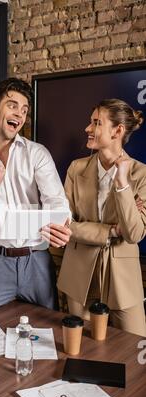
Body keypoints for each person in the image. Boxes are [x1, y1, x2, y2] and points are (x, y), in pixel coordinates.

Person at [0, 77, 71, 313]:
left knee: (46, 332)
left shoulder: (37, 154)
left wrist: (62, 225)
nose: (19, 114)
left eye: (24, 110)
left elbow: (56, 203)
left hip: (36, 260)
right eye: (12, 105)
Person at [57, 99, 146, 336]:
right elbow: (64, 224)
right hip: (78, 277)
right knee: (81, 352)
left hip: (124, 283)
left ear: (118, 131)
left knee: (136, 350)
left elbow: (135, 233)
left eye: (96, 123)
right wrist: (110, 231)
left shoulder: (141, 174)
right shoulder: (76, 168)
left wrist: (123, 185)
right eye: (90, 122)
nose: (87, 128)